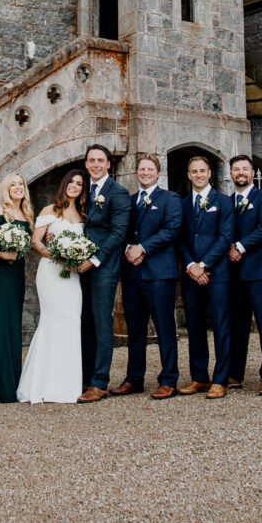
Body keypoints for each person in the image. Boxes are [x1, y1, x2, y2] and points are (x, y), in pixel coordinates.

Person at [109, 154, 181, 399]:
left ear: (158, 173)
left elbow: (171, 229)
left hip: (160, 274)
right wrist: (130, 248)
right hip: (133, 274)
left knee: (164, 327)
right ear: (137, 172)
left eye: (150, 169)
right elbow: (122, 232)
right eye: (142, 169)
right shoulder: (129, 201)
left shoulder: (170, 199)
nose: (146, 172)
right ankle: (134, 378)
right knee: (135, 330)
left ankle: (169, 379)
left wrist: (144, 247)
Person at [17, 169, 86, 404]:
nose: (74, 186)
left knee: (72, 320)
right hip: (51, 271)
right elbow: (35, 241)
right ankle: (43, 383)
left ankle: (66, 384)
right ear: (64, 184)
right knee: (51, 321)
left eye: (79, 183)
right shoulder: (50, 210)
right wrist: (58, 256)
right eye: (71, 181)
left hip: (72, 275)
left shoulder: (82, 214)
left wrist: (75, 259)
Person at [175, 155, 234, 399]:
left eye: (202, 170)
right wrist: (190, 265)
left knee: (220, 326)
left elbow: (225, 237)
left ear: (210, 173)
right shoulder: (183, 204)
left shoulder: (223, 201)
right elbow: (179, 238)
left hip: (216, 273)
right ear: (188, 175)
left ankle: (220, 380)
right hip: (191, 275)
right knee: (195, 327)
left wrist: (203, 264)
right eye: (194, 171)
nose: (198, 174)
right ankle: (199, 377)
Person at [78, 144, 130, 403]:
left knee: (101, 324)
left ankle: (99, 382)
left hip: (103, 269)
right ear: (86, 163)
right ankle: (85, 378)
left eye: (101, 160)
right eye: (91, 160)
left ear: (109, 164)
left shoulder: (117, 192)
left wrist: (95, 260)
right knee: (84, 323)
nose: (96, 164)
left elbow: (118, 234)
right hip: (79, 267)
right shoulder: (82, 189)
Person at [0, 172, 33, 402]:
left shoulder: (27, 214)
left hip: (16, 274)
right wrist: (3, 254)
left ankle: (11, 381)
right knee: (0, 321)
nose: (18, 187)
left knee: (12, 322)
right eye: (13, 185)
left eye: (21, 184)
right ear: (6, 189)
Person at [227, 155, 262, 395]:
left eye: (245, 169)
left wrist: (240, 246)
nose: (241, 173)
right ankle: (235, 373)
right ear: (230, 174)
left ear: (253, 172)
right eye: (236, 169)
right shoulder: (228, 202)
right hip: (233, 274)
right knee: (237, 325)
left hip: (258, 272)